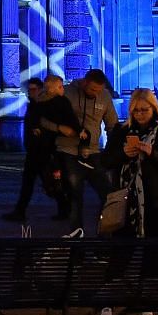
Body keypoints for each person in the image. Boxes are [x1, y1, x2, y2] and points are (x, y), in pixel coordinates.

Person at [100, 87, 158, 315]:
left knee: (153, 256)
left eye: (144, 110)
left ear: (154, 109)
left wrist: (152, 154)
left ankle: (147, 307)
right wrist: (123, 154)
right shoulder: (121, 132)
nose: (139, 114)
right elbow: (105, 160)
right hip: (127, 204)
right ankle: (108, 305)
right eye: (135, 110)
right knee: (120, 254)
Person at [6, 77, 77, 224]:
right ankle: (21, 211)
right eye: (29, 89)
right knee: (30, 183)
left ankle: (65, 208)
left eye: (34, 89)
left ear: (41, 90)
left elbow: (56, 125)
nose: (30, 92)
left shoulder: (48, 105)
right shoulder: (34, 105)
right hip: (34, 151)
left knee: (50, 183)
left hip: (45, 151)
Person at [56, 69, 119, 235]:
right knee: (76, 197)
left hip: (92, 152)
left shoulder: (105, 96)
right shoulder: (68, 92)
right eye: (92, 90)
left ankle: (103, 233)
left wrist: (112, 151)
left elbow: (112, 125)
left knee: (108, 194)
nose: (95, 93)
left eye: (98, 90)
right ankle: (77, 237)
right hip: (68, 151)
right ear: (84, 83)